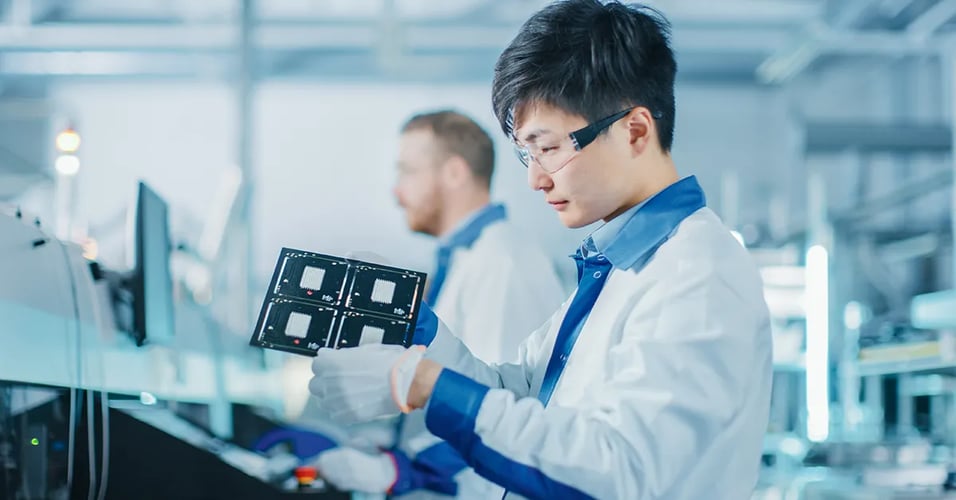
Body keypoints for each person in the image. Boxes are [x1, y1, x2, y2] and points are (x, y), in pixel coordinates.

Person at [308, 2, 773, 499]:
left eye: (548, 148)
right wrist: (420, 336)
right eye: (527, 154)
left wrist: (425, 385)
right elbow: (524, 397)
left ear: (634, 130)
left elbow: (620, 473)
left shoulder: (696, 273)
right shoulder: (619, 270)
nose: (535, 179)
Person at [311, 111, 566, 498]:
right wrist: (391, 444)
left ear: (454, 173)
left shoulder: (503, 262)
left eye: (407, 172)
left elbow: (501, 409)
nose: (397, 193)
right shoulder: (466, 260)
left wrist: (402, 470)